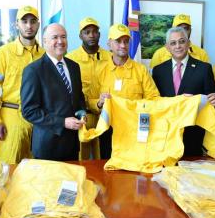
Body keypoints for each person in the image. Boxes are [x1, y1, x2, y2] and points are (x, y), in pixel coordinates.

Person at [88, 23, 160, 158]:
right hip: (108, 130)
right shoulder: (99, 70)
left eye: (126, 41)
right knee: (108, 171)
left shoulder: (141, 70)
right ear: (109, 43)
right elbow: (90, 100)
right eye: (118, 41)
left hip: (134, 130)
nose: (123, 45)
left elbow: (154, 98)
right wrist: (99, 103)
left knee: (134, 172)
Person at [0, 6, 45, 164]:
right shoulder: (3, 53)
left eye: (33, 21)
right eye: (24, 21)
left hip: (39, 119)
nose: (29, 26)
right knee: (10, 169)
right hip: (11, 117)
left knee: (37, 169)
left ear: (38, 24)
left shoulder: (45, 55)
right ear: (16, 24)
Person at [21, 23, 86, 161]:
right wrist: (62, 122)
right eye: (55, 37)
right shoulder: (33, 70)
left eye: (63, 37)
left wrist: (82, 112)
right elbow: (29, 111)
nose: (60, 41)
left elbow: (78, 98)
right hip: (47, 147)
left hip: (72, 146)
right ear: (44, 41)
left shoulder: (74, 67)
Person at [152, 26, 215, 156]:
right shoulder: (158, 71)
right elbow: (155, 102)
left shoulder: (204, 68)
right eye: (173, 43)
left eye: (182, 41)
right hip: (166, 135)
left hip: (193, 135)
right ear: (167, 47)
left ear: (188, 43)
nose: (178, 46)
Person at [66, 17, 112, 160]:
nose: (91, 35)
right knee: (81, 160)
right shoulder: (70, 58)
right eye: (87, 32)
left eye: (94, 32)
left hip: (104, 116)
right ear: (80, 35)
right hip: (81, 116)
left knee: (103, 157)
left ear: (99, 34)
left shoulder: (110, 57)